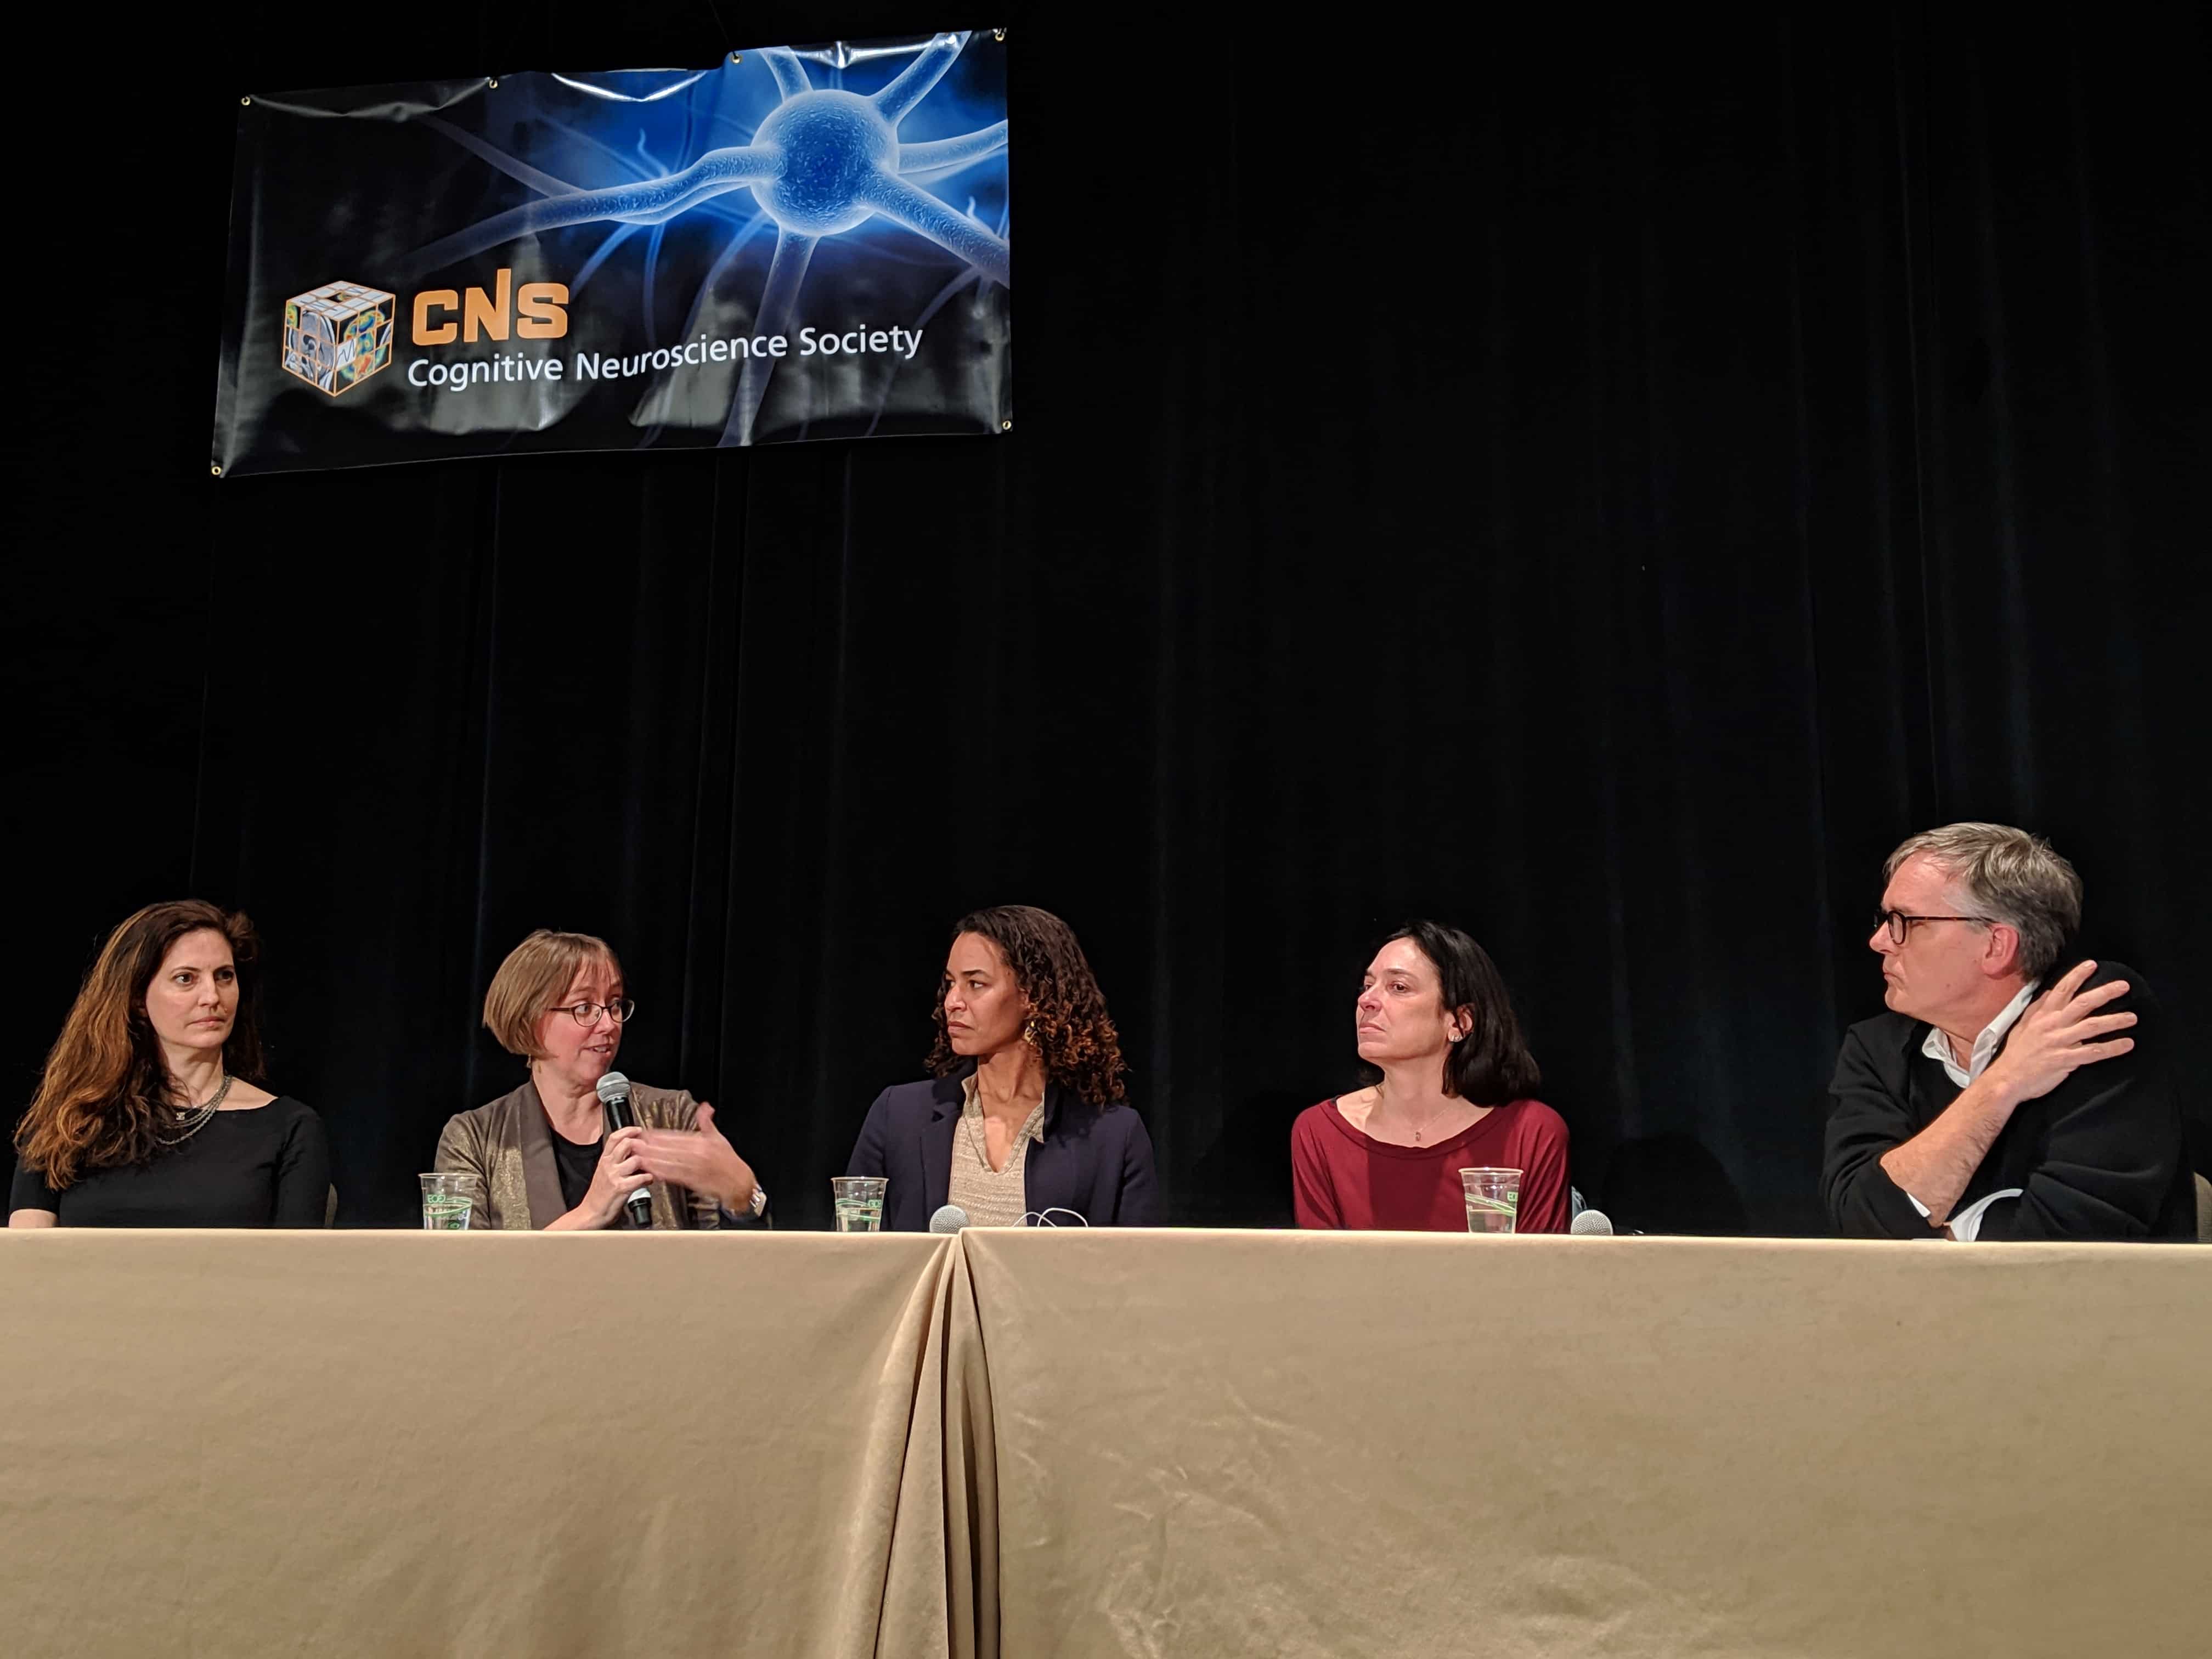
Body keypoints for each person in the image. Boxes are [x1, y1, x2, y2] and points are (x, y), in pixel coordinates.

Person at [1822, 822, 2191, 1240]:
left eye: (1903, 920)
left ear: (1996, 946)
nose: (1879, 941)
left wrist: (1937, 1234)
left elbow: (2080, 1230)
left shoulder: (2085, 1011)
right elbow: (1859, 1220)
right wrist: (2003, 1083)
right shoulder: (1876, 1047)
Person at [10, 900, 330, 1227]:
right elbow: (27, 1250)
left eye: (224, 976)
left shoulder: (290, 1127)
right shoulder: (68, 1122)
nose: (212, 997)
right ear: (138, 998)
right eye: (186, 979)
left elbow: (294, 1258)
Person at [848, 905, 1158, 1229]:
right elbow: (852, 1249)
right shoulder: (898, 1116)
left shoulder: (1113, 1137)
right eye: (951, 982)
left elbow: (1138, 1259)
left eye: (975, 984)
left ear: (1033, 996)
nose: (952, 1001)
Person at [436, 930, 766, 1229]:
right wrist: (591, 1211)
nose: (609, 1024)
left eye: (614, 1005)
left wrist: (742, 1195)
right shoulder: (476, 1139)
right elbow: (464, 1269)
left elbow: (727, 1261)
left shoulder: (671, 1114)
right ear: (529, 1019)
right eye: (584, 1008)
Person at [1291, 921, 1570, 1232]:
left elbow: (1540, 1262)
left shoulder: (1530, 1133)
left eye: (1399, 987)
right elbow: (1319, 1261)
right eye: (1367, 986)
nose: (1366, 1000)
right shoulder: (1320, 1132)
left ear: (1461, 1022)